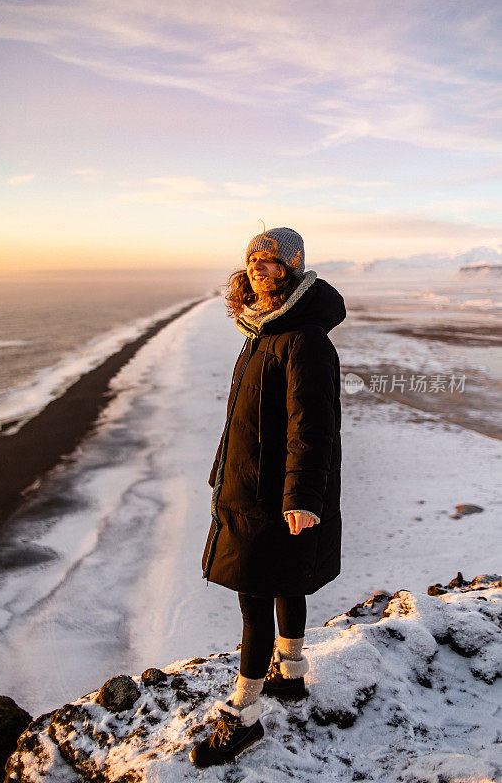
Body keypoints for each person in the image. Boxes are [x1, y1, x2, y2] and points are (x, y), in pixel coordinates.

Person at [189, 227, 346, 768]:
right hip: (252, 486)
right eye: (253, 259)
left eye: (272, 261)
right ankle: (292, 676)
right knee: (284, 583)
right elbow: (245, 420)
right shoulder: (261, 331)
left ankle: (244, 717)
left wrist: (302, 497)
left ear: (294, 267)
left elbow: (313, 426)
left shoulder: (303, 340)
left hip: (273, 496)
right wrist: (221, 471)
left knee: (255, 599)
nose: (260, 267)